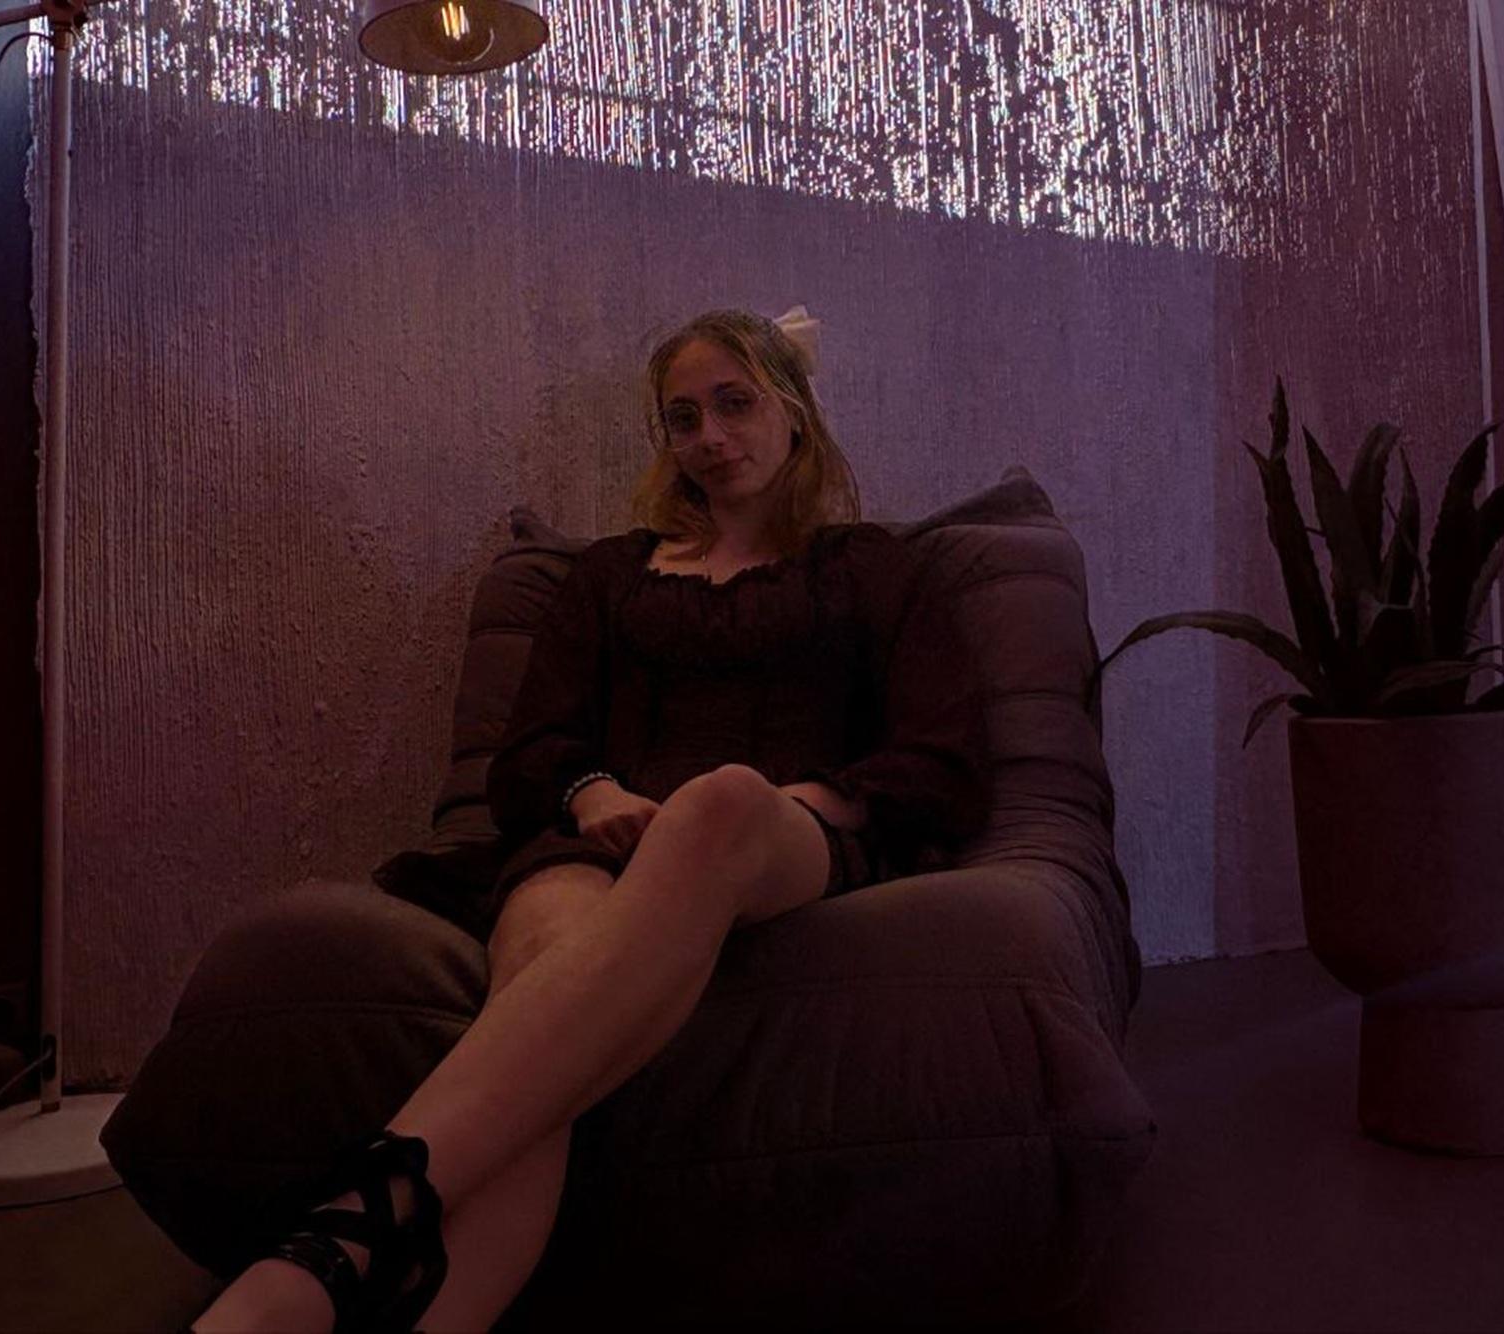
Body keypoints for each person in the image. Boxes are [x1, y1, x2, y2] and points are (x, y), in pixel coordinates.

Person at [193, 307, 989, 1334]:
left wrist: (791, 802)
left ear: (793, 408)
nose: (709, 436)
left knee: (716, 803)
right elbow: (531, 750)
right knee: (544, 949)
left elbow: (944, 758)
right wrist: (595, 795)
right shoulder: (609, 575)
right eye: (683, 418)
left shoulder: (874, 565)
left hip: (782, 833)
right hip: (598, 842)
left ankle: (326, 1251)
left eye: (734, 403)